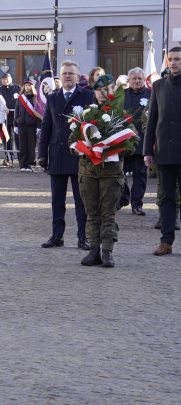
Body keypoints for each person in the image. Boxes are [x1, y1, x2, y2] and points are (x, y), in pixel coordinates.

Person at [38, 60, 95, 250]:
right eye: (64, 74)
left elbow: (93, 126)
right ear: (60, 77)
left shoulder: (87, 95)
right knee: (57, 200)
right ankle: (57, 236)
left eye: (71, 73)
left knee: (81, 200)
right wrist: (42, 153)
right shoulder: (53, 98)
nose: (68, 76)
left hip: (80, 155)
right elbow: (46, 127)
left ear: (78, 76)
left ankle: (83, 237)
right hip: (57, 154)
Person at [77, 74, 126, 268]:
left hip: (111, 173)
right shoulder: (86, 113)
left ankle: (107, 252)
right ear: (94, 91)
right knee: (92, 213)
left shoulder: (121, 114)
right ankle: (94, 250)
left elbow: (132, 142)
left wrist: (115, 147)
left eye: (107, 88)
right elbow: (74, 139)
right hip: (88, 172)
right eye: (99, 89)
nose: (103, 93)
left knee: (108, 214)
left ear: (113, 90)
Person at [144, 46, 181, 256]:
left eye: (178, 59)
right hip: (164, 153)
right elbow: (152, 123)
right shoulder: (158, 86)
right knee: (166, 198)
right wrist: (147, 151)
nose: (174, 63)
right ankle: (166, 242)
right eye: (171, 59)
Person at [119, 67, 151, 215]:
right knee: (120, 173)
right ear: (129, 81)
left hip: (143, 141)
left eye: (140, 79)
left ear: (144, 80)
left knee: (140, 175)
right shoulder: (121, 95)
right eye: (134, 79)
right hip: (123, 142)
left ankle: (136, 204)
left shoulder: (151, 95)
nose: (137, 81)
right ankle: (122, 198)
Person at [15, 78, 41, 172]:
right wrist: (16, 125)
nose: (27, 87)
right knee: (22, 145)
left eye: (29, 85)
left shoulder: (36, 98)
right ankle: (23, 164)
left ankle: (30, 164)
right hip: (21, 124)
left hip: (32, 125)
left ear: (32, 86)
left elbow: (38, 114)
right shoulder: (20, 98)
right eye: (26, 85)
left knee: (31, 146)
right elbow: (17, 111)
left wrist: (39, 126)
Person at [0, 74, 21, 166]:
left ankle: (20, 158)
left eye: (7, 79)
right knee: (6, 139)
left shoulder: (17, 88)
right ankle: (9, 157)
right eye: (3, 79)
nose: (5, 80)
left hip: (16, 118)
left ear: (11, 79)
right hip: (5, 118)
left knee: (18, 138)